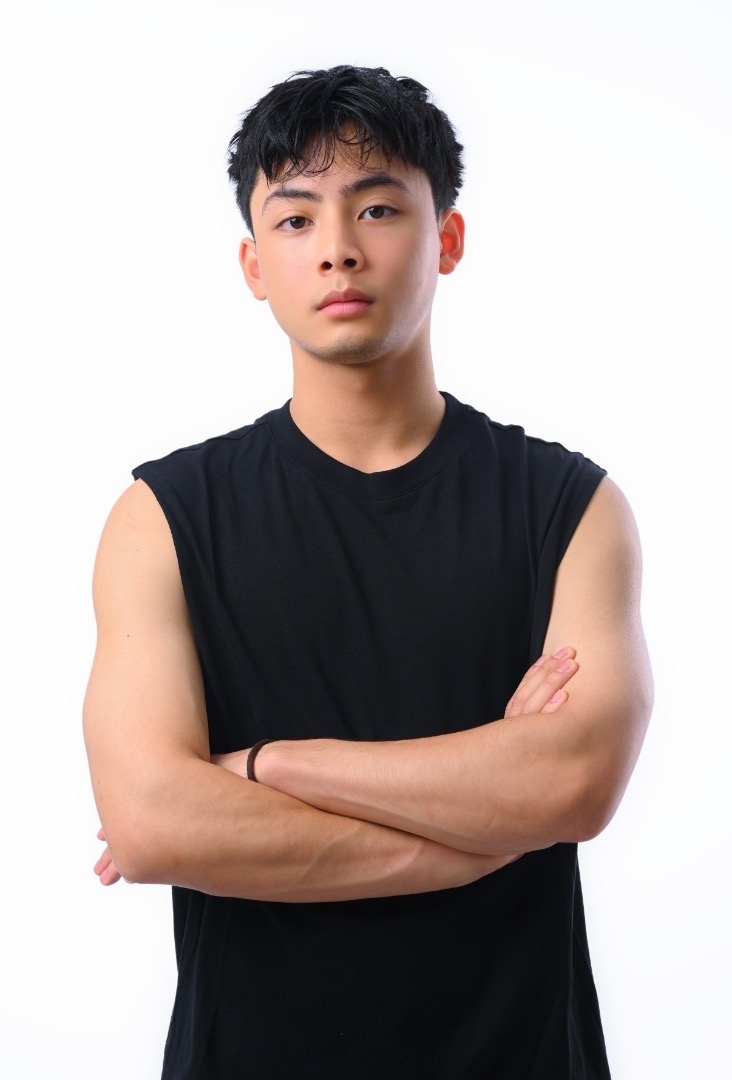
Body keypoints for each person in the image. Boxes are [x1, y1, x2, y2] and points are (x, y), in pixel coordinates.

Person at [83, 65, 653, 1079]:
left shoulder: (569, 506)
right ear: (255, 265)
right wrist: (487, 826)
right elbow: (153, 820)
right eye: (296, 219)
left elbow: (572, 780)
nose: (339, 247)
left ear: (447, 239)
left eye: (379, 208)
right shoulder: (162, 518)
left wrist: (267, 767)